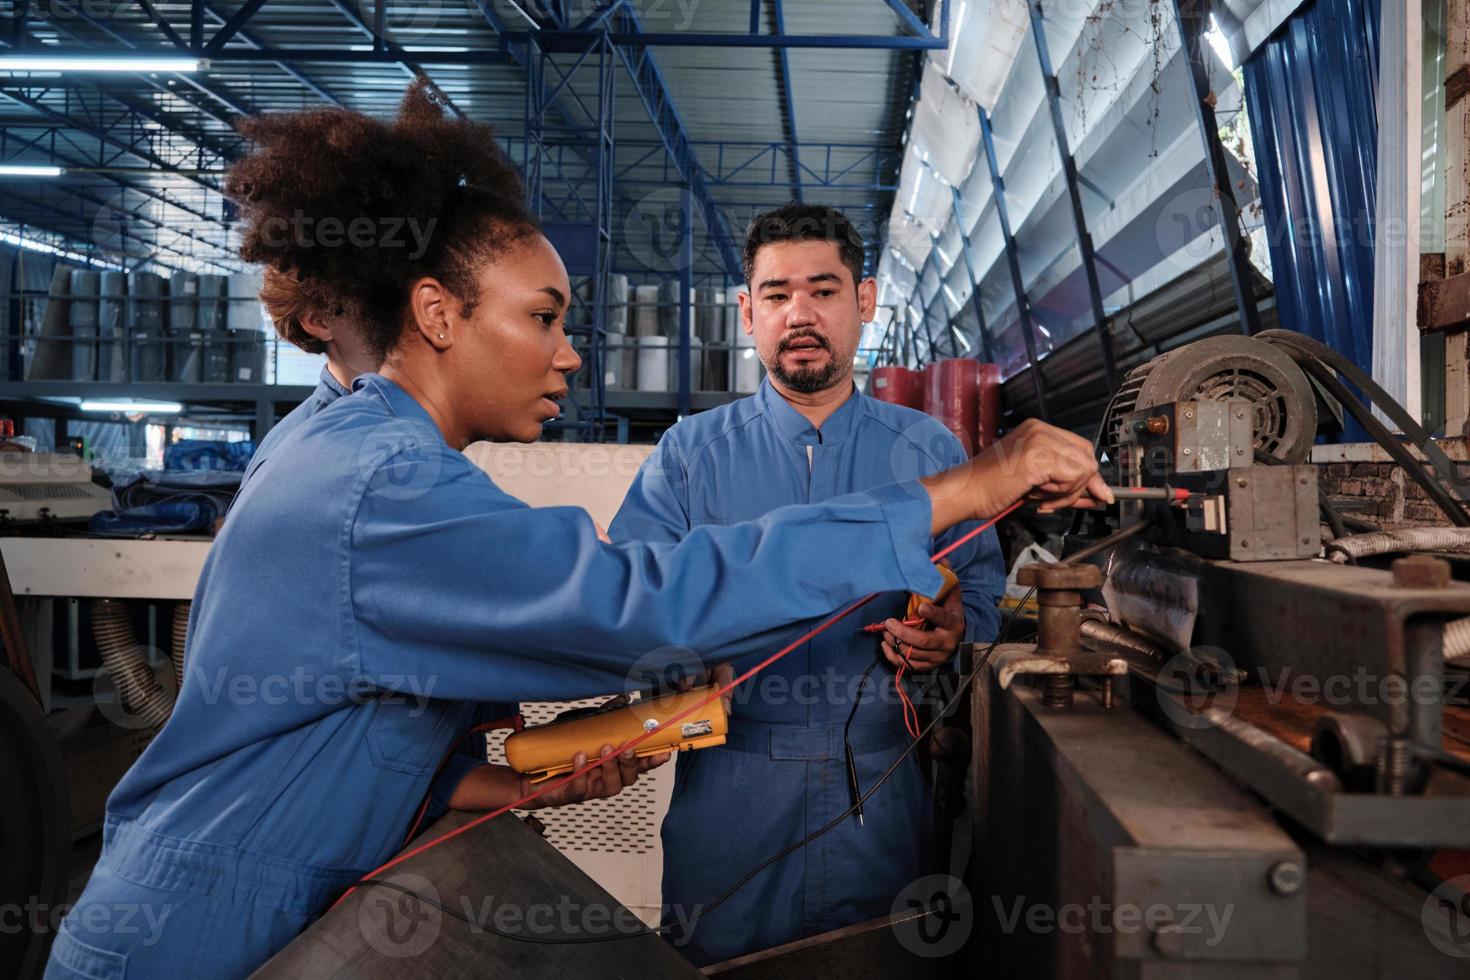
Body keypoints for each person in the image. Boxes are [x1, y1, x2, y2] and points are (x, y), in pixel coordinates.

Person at [45, 81, 1108, 980]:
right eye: (544, 316)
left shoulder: (349, 441)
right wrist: (975, 483)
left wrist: (498, 781)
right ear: (438, 313)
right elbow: (647, 601)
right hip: (192, 935)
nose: (568, 355)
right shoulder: (379, 485)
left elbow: (333, 722)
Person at [609, 203, 1006, 964]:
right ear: (747, 311)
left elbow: (982, 597)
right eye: (778, 294)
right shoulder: (689, 456)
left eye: (823, 291)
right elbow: (628, 609)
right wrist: (677, 668)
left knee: (874, 960)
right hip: (729, 793)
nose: (800, 314)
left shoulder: (929, 450)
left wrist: (954, 631)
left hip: (882, 788)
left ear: (864, 302)